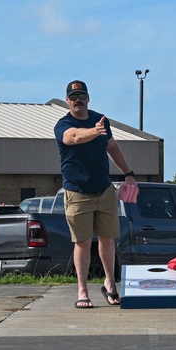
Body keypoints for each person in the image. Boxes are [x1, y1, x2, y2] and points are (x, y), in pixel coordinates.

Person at [54, 80, 138, 309]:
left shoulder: (101, 120)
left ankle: (110, 284)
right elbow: (73, 137)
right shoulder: (63, 124)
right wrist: (95, 131)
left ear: (88, 98)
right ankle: (82, 291)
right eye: (74, 97)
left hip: (104, 189)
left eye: (82, 95)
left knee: (108, 239)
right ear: (67, 101)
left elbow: (111, 147)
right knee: (82, 242)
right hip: (77, 192)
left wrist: (128, 173)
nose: (78, 100)